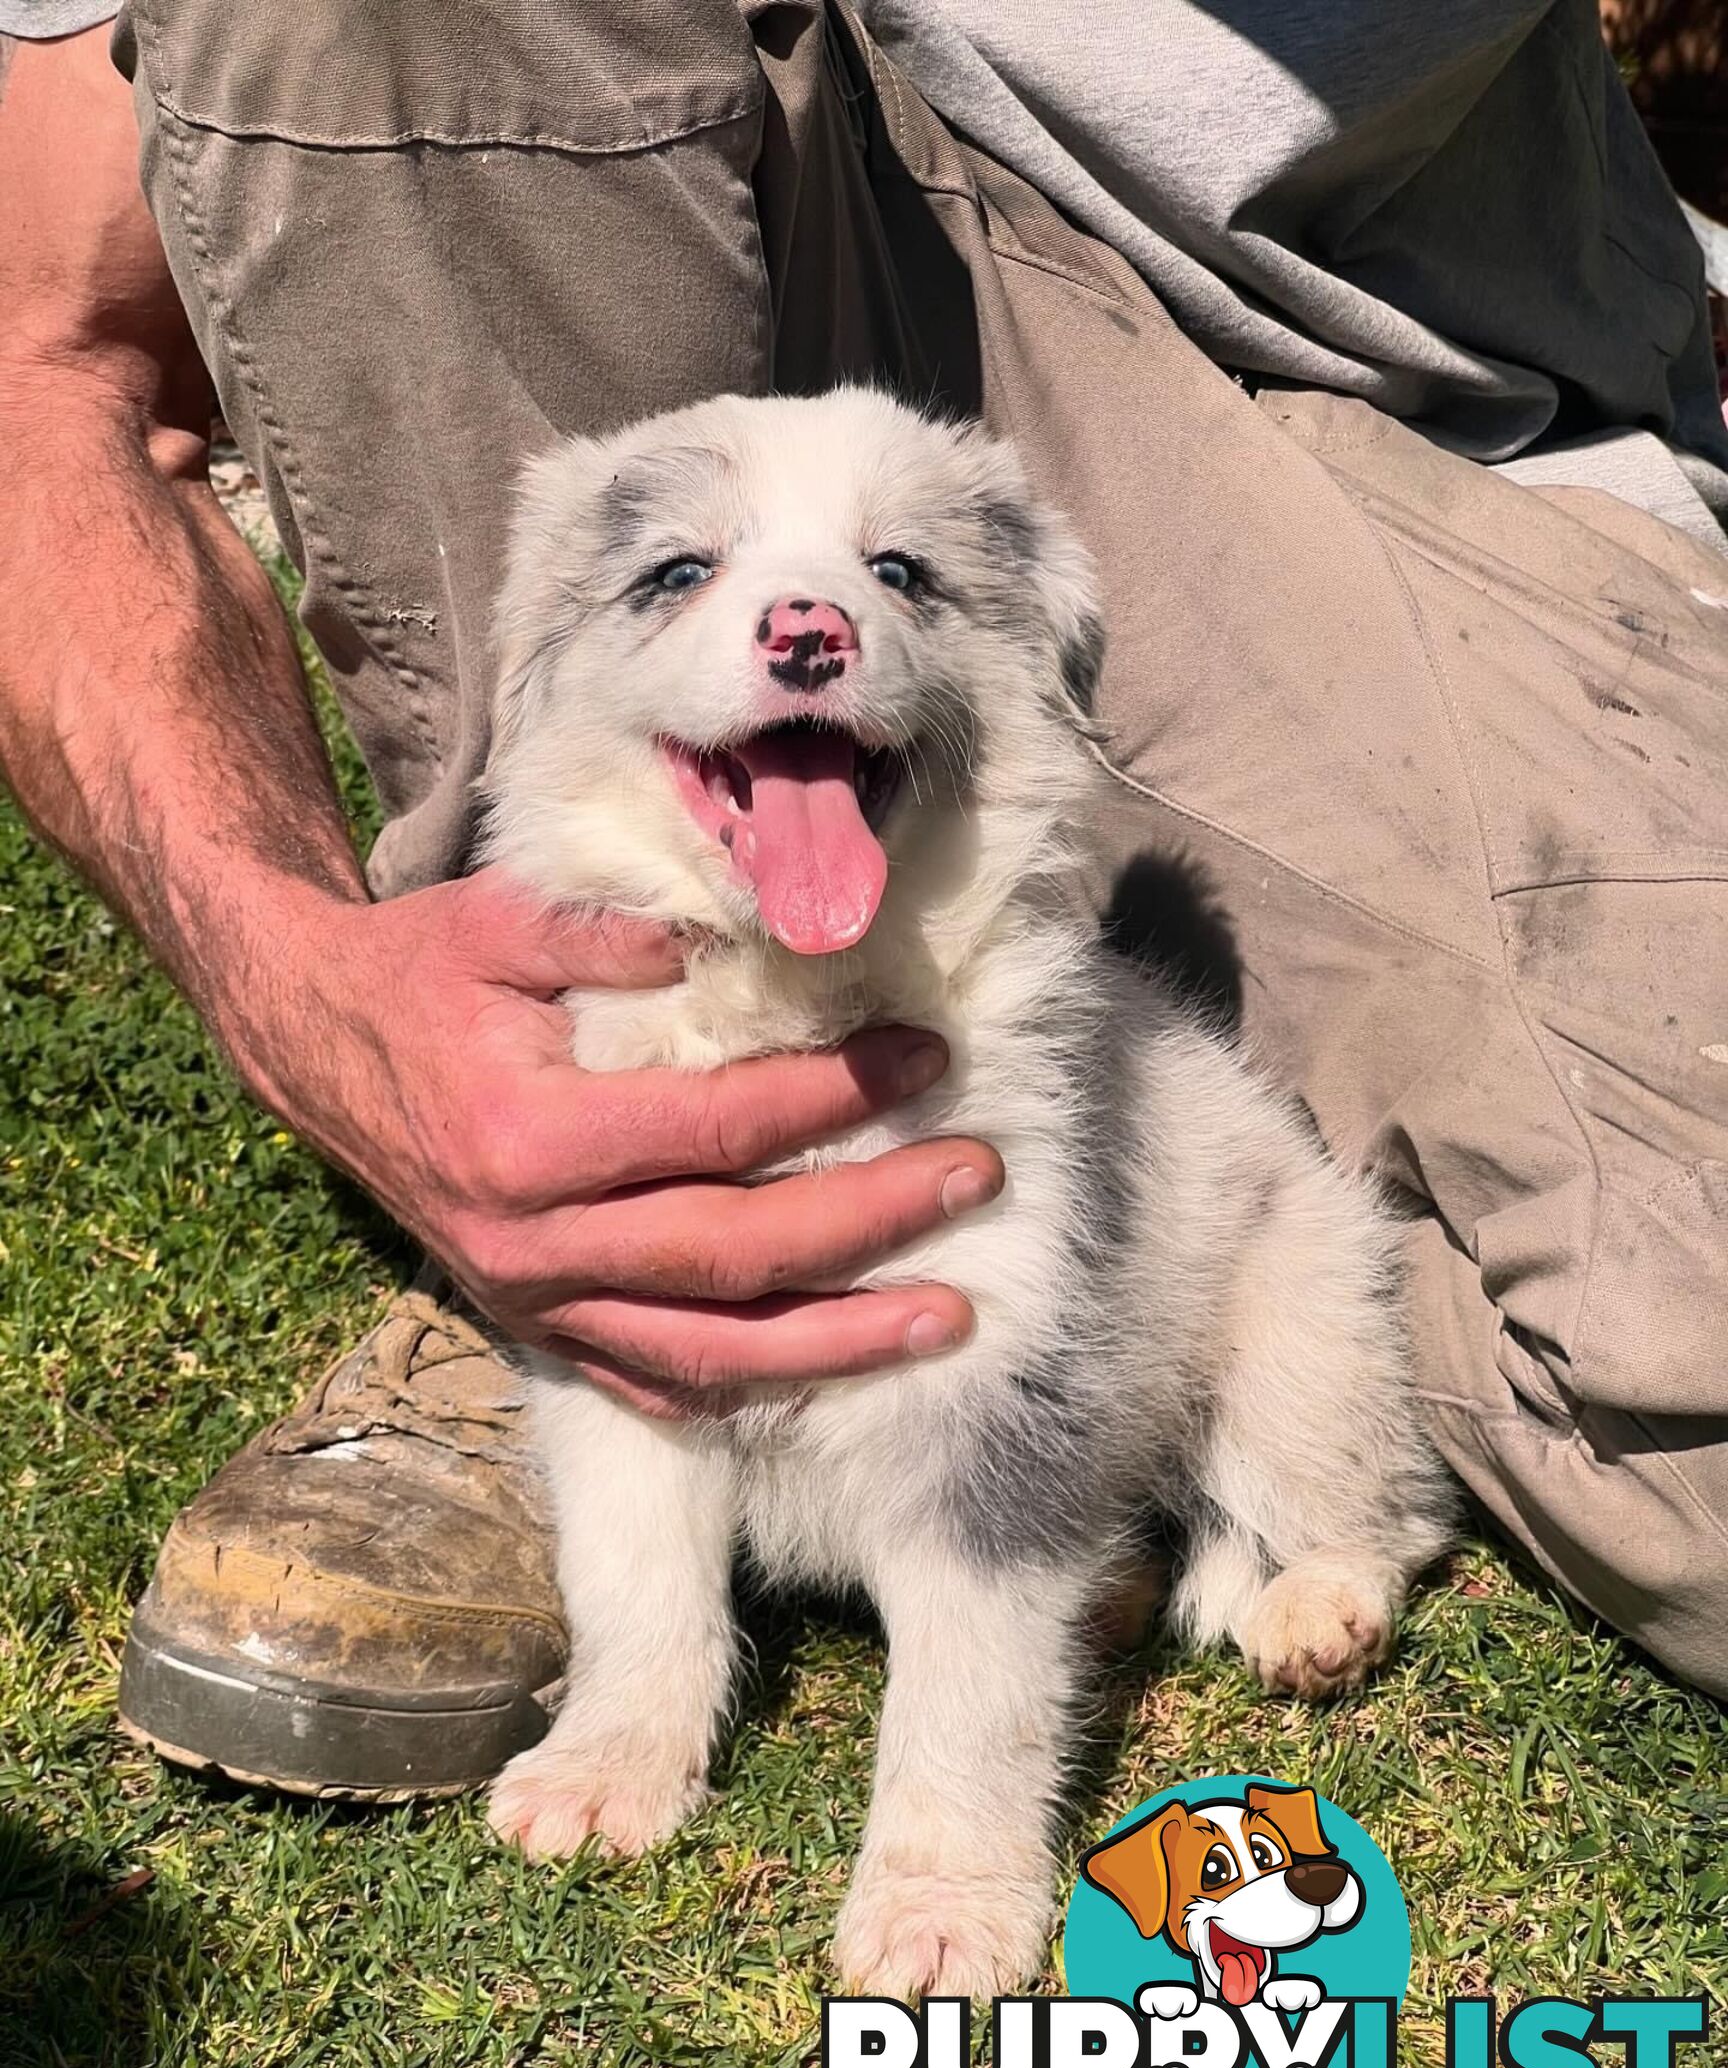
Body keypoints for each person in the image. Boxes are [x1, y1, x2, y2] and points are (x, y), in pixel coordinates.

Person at [3, 2, 1727, 1802]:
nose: (807, 623)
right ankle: (558, 1200)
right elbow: (47, 359)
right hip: (743, 171)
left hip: (1424, 391)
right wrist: (306, 986)